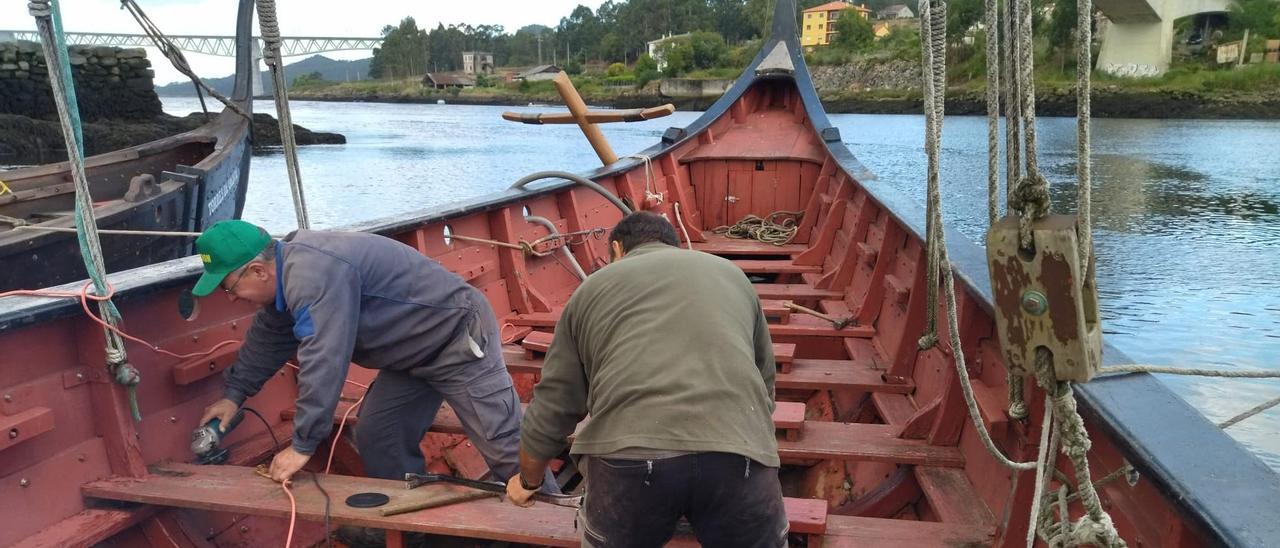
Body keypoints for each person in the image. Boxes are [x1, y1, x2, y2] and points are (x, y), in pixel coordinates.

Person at [194, 220, 554, 491]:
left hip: (456, 338)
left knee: (505, 446)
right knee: (379, 435)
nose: (229, 297)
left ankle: (556, 528)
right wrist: (234, 395)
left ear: (258, 271)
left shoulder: (312, 274)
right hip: (409, 355)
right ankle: (415, 531)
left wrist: (303, 445)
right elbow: (269, 336)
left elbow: (325, 358)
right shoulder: (283, 281)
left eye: (228, 287)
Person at [505, 212, 787, 548]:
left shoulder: (590, 289)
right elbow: (764, 384)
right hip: (740, 456)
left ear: (617, 249)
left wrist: (529, 479)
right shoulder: (732, 276)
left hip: (629, 461)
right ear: (674, 247)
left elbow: (556, 403)